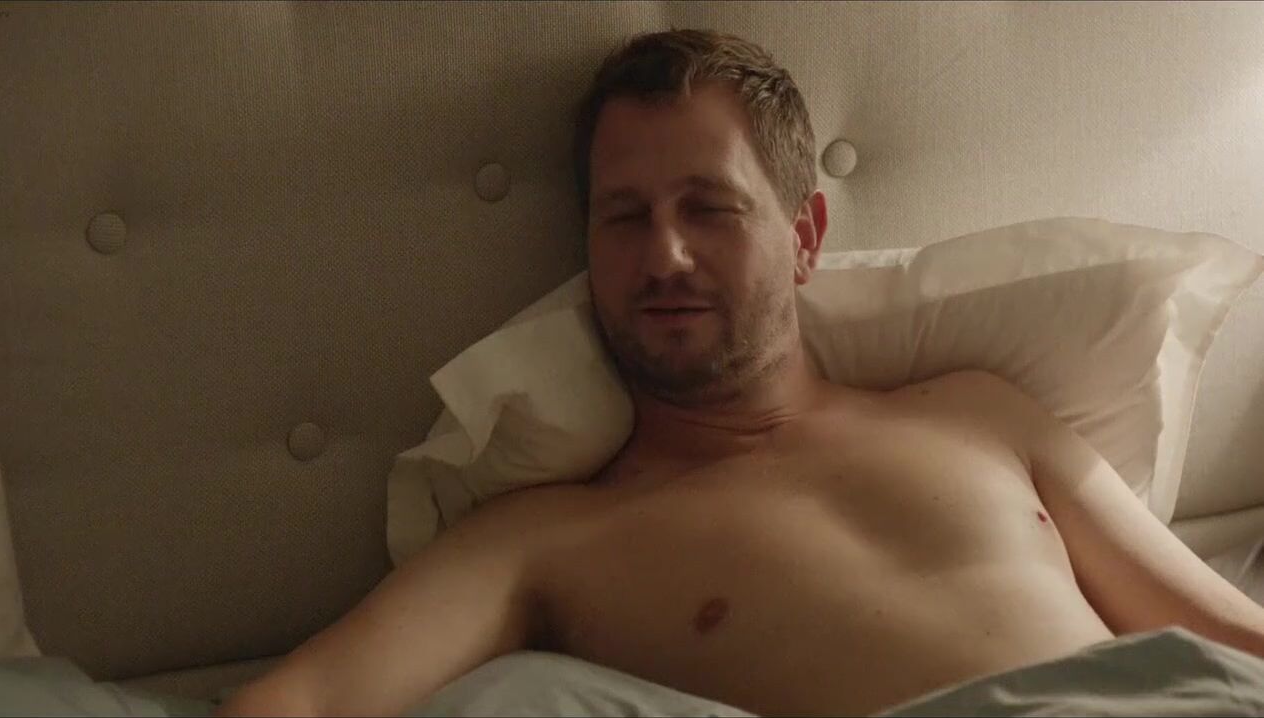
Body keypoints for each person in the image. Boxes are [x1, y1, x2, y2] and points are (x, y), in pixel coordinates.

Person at [217, 28, 1264, 717]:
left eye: (708, 208)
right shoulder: (545, 540)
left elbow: (1220, 631)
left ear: (804, 237)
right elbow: (301, 703)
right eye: (623, 217)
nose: (663, 256)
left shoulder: (978, 412)